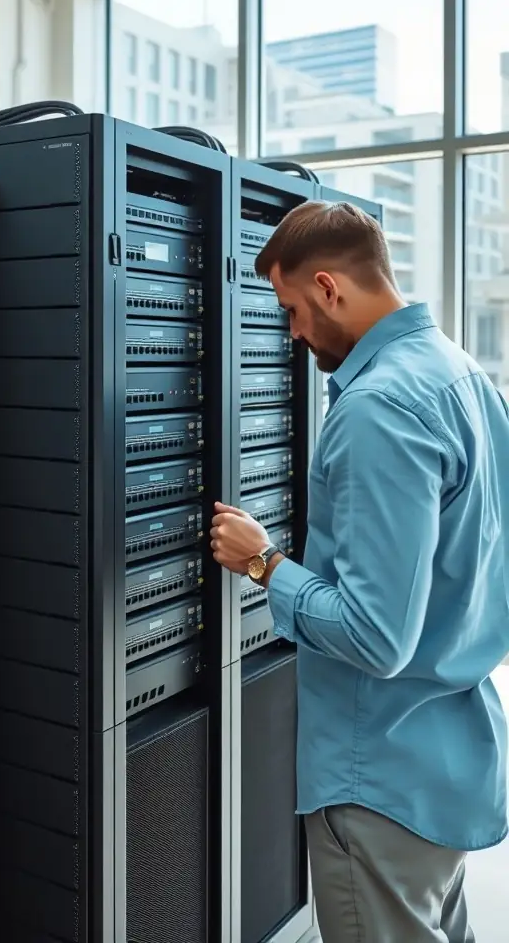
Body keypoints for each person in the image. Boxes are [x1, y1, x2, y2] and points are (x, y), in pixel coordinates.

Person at [210, 200, 509, 943]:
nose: (293, 333)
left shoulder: (381, 408)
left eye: (292, 309)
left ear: (328, 286)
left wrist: (263, 562)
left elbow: (376, 637)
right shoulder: (460, 374)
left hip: (380, 779)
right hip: (446, 761)